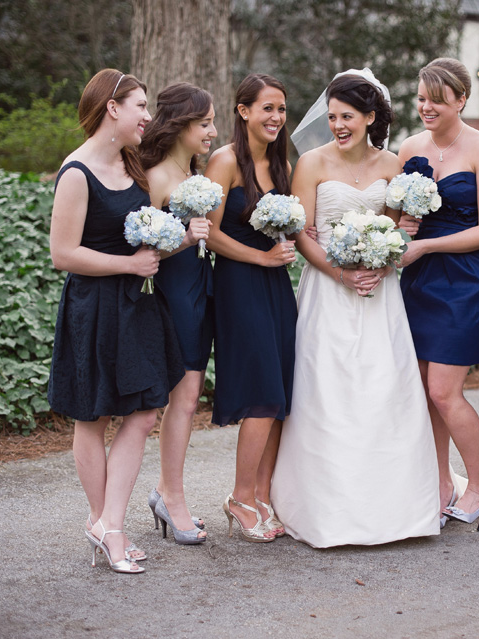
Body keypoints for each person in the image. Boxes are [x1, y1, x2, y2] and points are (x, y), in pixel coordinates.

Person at [270, 70, 440, 547]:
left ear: (370, 117)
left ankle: (396, 509)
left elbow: (395, 231)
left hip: (380, 292)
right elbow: (303, 233)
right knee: (327, 394)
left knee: (383, 391)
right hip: (328, 290)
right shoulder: (311, 164)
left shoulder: (393, 165)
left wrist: (383, 264)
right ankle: (324, 509)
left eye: (347, 116)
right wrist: (342, 273)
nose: (338, 125)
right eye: (331, 117)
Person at [48, 69, 191, 573]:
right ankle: (108, 527)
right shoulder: (76, 173)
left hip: (137, 306)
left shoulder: (134, 167)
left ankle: (108, 522)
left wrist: (188, 235)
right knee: (93, 415)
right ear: (113, 108)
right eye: (140, 106)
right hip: (94, 307)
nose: (147, 117)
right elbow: (62, 254)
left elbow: (147, 236)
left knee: (146, 410)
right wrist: (130, 264)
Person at [397, 58, 479, 528]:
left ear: (462, 100)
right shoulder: (409, 148)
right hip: (418, 279)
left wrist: (424, 244)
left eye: (437, 101)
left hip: (467, 277)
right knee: (424, 391)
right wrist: (401, 228)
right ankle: (441, 483)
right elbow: (396, 214)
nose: (427, 108)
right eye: (422, 99)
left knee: (445, 391)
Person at [203, 73, 296, 543]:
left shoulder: (280, 163)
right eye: (267, 108)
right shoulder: (225, 161)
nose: (276, 117)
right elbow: (211, 231)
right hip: (240, 283)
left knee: (280, 396)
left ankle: (262, 494)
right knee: (261, 392)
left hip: (277, 284)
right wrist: (261, 255)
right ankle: (240, 496)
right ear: (243, 111)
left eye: (281, 109)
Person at [139, 82, 217, 545]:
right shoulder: (154, 178)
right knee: (183, 399)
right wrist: (186, 239)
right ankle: (173, 498)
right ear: (179, 125)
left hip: (204, 290)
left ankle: (165, 491)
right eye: (204, 123)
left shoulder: (195, 174)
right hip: (175, 294)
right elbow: (145, 251)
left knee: (189, 399)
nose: (211, 131)